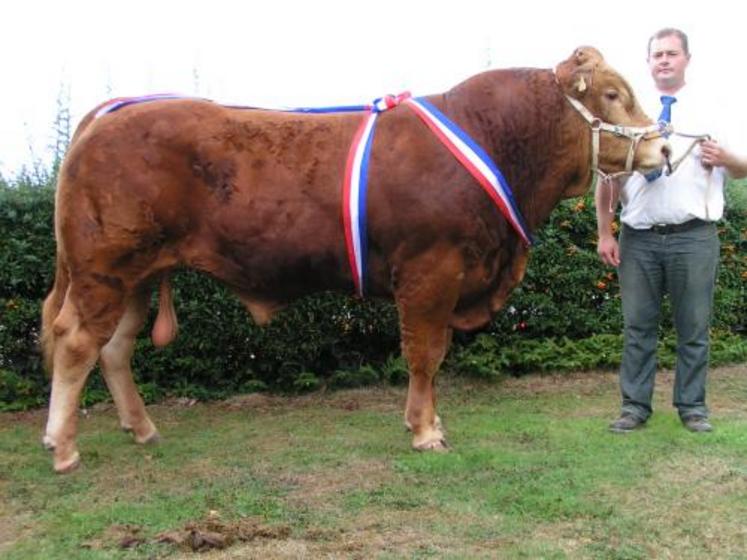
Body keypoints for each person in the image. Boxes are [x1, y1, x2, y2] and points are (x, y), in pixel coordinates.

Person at [596, 28, 747, 433]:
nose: (663, 60)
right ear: (648, 63)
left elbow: (743, 166)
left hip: (694, 236)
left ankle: (693, 408)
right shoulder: (628, 111)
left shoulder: (712, 108)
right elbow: (607, 177)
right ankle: (634, 407)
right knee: (637, 327)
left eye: (671, 54)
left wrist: (726, 157)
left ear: (686, 59)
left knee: (694, 328)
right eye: (656, 54)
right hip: (639, 238)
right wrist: (605, 233)